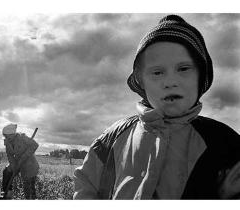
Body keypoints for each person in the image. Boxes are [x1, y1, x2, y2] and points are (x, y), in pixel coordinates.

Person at [73, 14, 240, 199]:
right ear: (140, 80)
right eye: (157, 72)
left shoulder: (225, 143)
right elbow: (85, 181)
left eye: (183, 69)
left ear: (201, 76)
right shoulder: (113, 136)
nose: (170, 82)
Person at [0, 123, 39, 199]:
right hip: (18, 162)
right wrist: (14, 167)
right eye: (5, 136)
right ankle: (7, 192)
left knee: (28, 186)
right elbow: (10, 156)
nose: (6, 137)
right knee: (6, 172)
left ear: (13, 134)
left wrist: (24, 156)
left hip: (29, 164)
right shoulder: (7, 142)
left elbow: (35, 145)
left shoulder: (22, 138)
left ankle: (31, 199)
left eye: (7, 136)